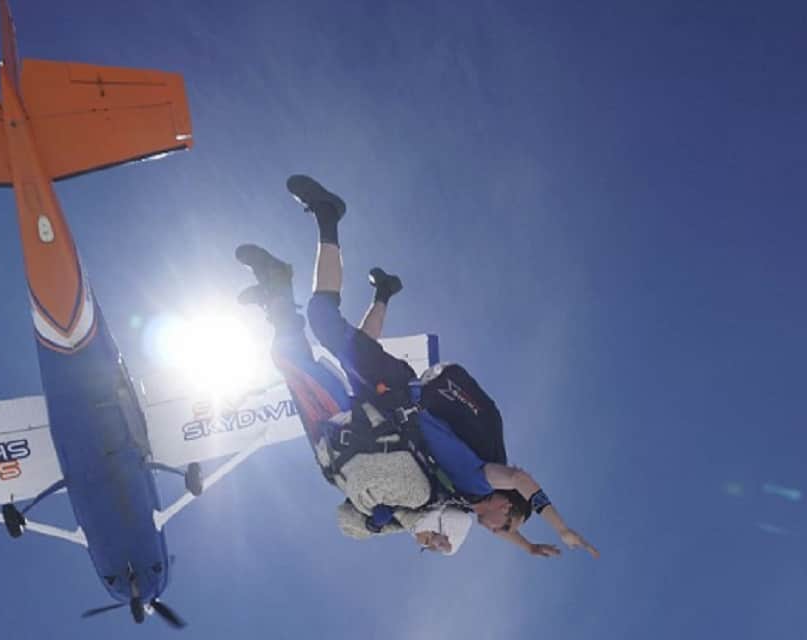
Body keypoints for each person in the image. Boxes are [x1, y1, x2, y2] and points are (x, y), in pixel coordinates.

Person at [237, 173, 598, 560]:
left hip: (381, 411)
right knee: (323, 317)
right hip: (393, 391)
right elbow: (520, 479)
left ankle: (376, 293)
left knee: (339, 351)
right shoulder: (481, 478)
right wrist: (561, 528)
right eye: (504, 524)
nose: (493, 531)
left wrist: (526, 546)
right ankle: (328, 216)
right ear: (506, 506)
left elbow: (498, 530)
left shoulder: (459, 501)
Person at [235, 245, 471, 555]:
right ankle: (278, 289)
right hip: (347, 423)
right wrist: (377, 515)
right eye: (437, 541)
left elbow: (344, 521)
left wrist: (374, 523)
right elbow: (364, 483)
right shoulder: (418, 495)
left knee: (294, 362)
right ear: (444, 525)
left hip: (327, 439)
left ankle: (274, 298)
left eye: (431, 547)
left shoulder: (404, 514)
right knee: (294, 358)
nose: (425, 543)